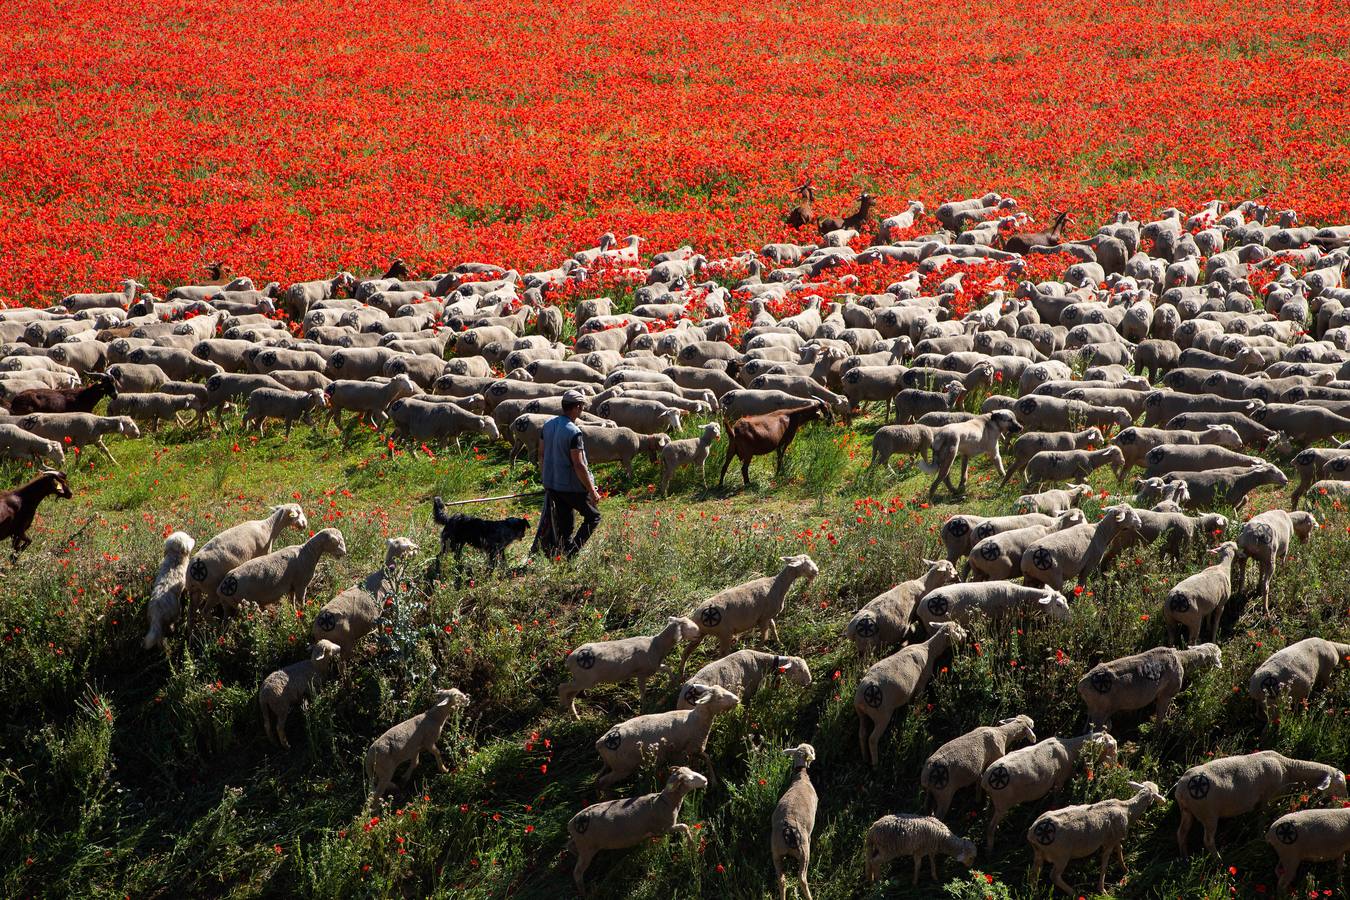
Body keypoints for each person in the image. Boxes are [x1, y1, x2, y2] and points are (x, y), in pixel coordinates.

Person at [533, 389, 601, 558]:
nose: (582, 410)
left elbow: (541, 454)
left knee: (566, 522)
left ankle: (563, 553)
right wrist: (592, 491)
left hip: (553, 484)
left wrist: (545, 476)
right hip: (571, 486)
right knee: (593, 517)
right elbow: (578, 464)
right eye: (582, 407)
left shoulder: (548, 425)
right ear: (577, 407)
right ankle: (571, 552)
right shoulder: (574, 432)